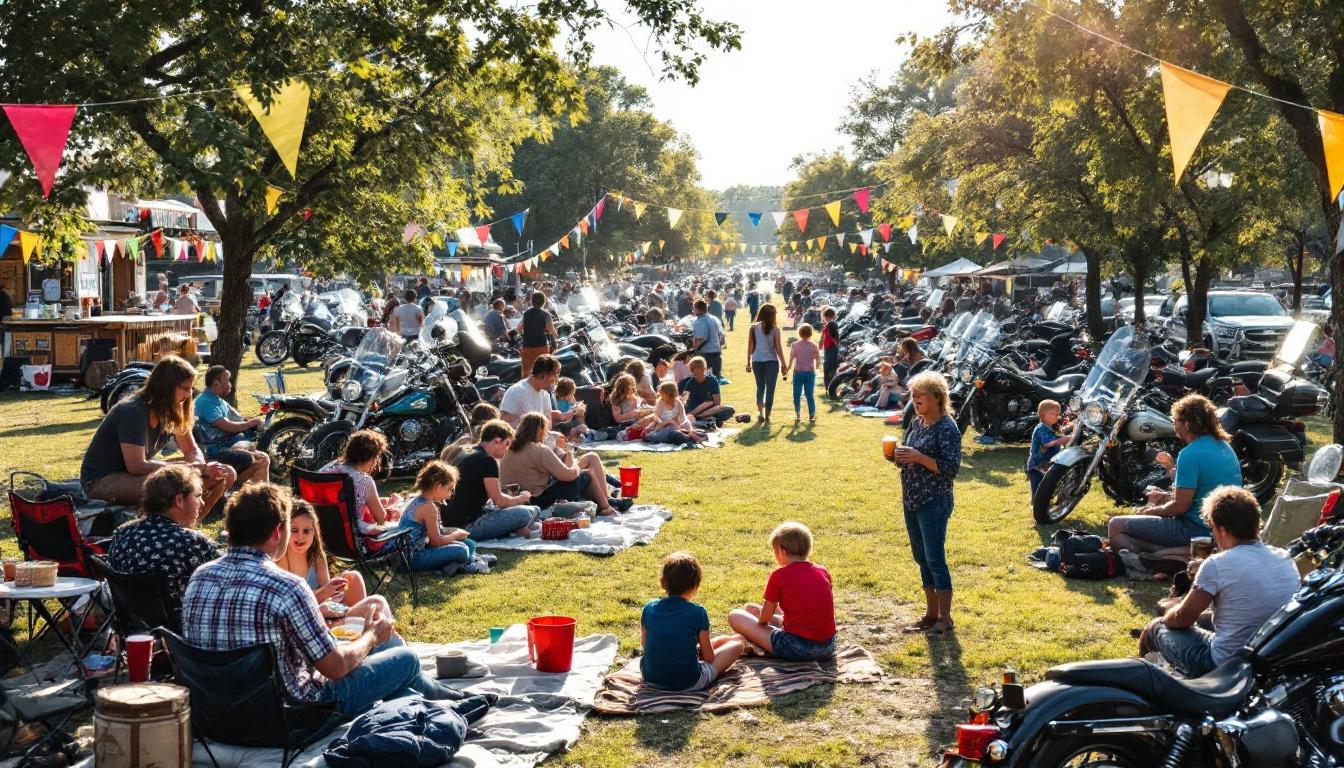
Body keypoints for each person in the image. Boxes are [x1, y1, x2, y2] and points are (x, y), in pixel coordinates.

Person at [182, 483, 469, 719]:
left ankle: (439, 707)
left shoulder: (200, 577)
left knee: (385, 667)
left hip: (217, 715)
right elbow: (336, 667)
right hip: (292, 715)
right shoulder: (287, 587)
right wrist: (371, 636)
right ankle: (446, 707)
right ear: (277, 532)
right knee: (402, 659)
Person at [1138, 487, 1300, 677]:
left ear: (1222, 529)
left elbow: (1183, 618)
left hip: (1225, 665)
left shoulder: (1217, 564)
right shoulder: (1284, 557)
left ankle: (1150, 687)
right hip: (1269, 657)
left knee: (1155, 628)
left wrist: (1166, 618)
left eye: (1212, 528)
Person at [81, 355, 236, 511]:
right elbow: (136, 465)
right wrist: (187, 468)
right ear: (166, 387)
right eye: (185, 388)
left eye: (191, 389)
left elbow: (191, 450)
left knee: (226, 473)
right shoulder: (132, 411)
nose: (189, 394)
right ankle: (177, 520)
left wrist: (201, 467)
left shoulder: (173, 410)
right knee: (175, 485)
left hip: (136, 474)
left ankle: (191, 523)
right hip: (102, 480)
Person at [1108, 394, 1241, 555]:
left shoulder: (1190, 453)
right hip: (1224, 530)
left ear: (1187, 424)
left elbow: (1180, 506)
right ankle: (1173, 553)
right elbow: (1202, 492)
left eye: (1176, 420)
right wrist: (1164, 495)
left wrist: (1153, 510)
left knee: (1116, 525)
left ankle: (1163, 556)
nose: (1174, 425)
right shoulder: (1225, 447)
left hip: (1196, 529)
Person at [891, 371, 962, 635]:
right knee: (921, 558)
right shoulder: (918, 422)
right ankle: (931, 614)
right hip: (912, 498)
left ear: (938, 398)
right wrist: (899, 456)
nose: (915, 398)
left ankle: (946, 618)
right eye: (914, 394)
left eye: (921, 395)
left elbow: (950, 468)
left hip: (934, 500)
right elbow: (910, 454)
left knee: (935, 558)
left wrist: (919, 457)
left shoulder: (947, 427)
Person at [106, 465, 220, 620]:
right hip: (181, 632)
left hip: (131, 627)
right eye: (198, 496)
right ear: (179, 500)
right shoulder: (190, 541)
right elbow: (234, 573)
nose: (202, 503)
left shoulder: (122, 533)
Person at [727, 522, 837, 660]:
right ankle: (767, 624)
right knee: (756, 609)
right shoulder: (822, 571)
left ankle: (755, 638)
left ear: (781, 551)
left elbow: (765, 617)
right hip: (828, 646)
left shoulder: (779, 575)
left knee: (735, 615)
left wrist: (758, 629)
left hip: (797, 648)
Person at [641, 551, 744, 691]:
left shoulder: (649, 608)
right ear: (695, 586)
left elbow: (644, 643)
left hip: (651, 679)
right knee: (737, 644)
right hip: (688, 682)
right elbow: (708, 657)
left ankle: (729, 639)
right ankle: (735, 641)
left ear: (662, 582)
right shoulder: (698, 612)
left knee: (725, 639)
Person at [277, 500, 389, 619]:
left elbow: (327, 592)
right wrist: (323, 593)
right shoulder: (282, 558)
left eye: (306, 531)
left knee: (353, 578)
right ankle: (361, 620)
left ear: (314, 532)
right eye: (294, 530)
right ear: (285, 531)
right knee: (372, 606)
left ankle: (359, 621)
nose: (301, 536)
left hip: (324, 607)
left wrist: (335, 588)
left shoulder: (317, 556)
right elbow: (289, 604)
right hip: (302, 614)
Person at [499, 413, 623, 513]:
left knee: (583, 470)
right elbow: (567, 475)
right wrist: (576, 468)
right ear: (540, 432)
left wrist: (568, 454)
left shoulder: (508, 449)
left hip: (512, 498)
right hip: (535, 500)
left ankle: (604, 503)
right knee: (586, 475)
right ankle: (605, 507)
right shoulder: (539, 449)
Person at [442, 419, 540, 540]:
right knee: (529, 512)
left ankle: (516, 530)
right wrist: (522, 498)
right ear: (497, 441)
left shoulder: (463, 453)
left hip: (449, 522)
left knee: (529, 511)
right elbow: (499, 501)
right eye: (507, 444)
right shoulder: (487, 460)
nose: (507, 449)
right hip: (468, 526)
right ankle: (516, 530)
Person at [398, 461, 489, 572]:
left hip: (414, 552)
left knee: (468, 543)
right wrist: (455, 535)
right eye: (450, 489)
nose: (450, 494)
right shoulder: (428, 507)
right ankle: (468, 564)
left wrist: (453, 533)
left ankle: (465, 562)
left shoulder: (421, 500)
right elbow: (435, 541)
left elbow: (435, 535)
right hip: (412, 559)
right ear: (438, 486)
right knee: (462, 550)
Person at [194, 365, 271, 483]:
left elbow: (239, 417)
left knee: (263, 458)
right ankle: (241, 486)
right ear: (216, 383)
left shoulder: (217, 399)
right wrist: (252, 423)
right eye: (226, 381)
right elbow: (228, 426)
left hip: (228, 444)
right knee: (256, 457)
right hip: (215, 451)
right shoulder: (205, 402)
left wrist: (256, 421)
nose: (230, 384)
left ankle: (250, 491)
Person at [319, 430, 402, 538]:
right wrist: (395, 510)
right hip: (350, 539)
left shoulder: (331, 467)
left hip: (322, 532)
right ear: (371, 459)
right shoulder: (364, 481)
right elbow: (381, 519)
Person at [500, 354, 586, 436]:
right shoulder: (517, 392)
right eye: (555, 374)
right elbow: (504, 427)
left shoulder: (544, 393)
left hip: (539, 442)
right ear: (543, 374)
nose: (557, 379)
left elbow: (547, 426)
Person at [746, 304, 786, 422]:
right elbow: (778, 349)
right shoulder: (775, 330)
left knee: (760, 386)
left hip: (756, 361)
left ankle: (760, 412)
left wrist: (748, 362)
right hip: (771, 361)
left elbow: (750, 347)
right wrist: (783, 363)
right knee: (770, 388)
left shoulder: (753, 328)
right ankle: (768, 414)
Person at [1027, 400, 1069, 497]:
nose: (1057, 416)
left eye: (1058, 414)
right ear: (1044, 415)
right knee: (1038, 489)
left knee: (1047, 487)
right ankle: (1037, 506)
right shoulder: (1041, 428)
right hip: (1037, 464)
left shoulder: (1048, 427)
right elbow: (1048, 444)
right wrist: (1064, 440)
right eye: (1054, 414)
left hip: (1045, 463)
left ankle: (1044, 504)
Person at [680, 356, 735, 424]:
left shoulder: (712, 381)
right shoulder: (690, 383)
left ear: (704, 368)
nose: (698, 370)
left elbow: (717, 402)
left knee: (729, 409)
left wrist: (707, 409)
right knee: (691, 413)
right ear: (692, 370)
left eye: (700, 367)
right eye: (695, 368)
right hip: (693, 409)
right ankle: (705, 420)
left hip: (709, 409)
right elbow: (684, 400)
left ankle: (702, 418)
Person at [647, 381, 703, 446]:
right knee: (654, 437)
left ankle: (688, 436)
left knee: (684, 428)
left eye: (662, 394)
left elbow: (682, 418)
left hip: (678, 425)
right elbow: (656, 417)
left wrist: (677, 423)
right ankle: (683, 438)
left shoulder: (678, 403)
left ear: (668, 394)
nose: (661, 395)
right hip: (664, 426)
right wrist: (666, 422)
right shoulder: (660, 403)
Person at [785, 323, 820, 423]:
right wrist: (816, 368)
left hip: (798, 372)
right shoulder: (814, 345)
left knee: (796, 393)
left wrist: (788, 369)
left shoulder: (795, 345)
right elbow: (817, 360)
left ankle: (797, 413)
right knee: (809, 394)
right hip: (810, 372)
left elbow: (791, 359)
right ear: (810, 333)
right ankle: (812, 414)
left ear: (800, 333)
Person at [519, 291, 557, 382]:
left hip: (527, 347)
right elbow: (553, 332)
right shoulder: (546, 315)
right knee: (543, 372)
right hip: (541, 347)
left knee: (527, 374)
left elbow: (519, 328)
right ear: (544, 302)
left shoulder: (526, 314)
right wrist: (556, 337)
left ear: (532, 301)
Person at [691, 299, 726, 378]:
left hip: (706, 353)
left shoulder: (700, 321)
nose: (693, 310)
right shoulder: (714, 318)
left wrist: (694, 349)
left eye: (694, 308)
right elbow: (721, 335)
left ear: (697, 308)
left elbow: (702, 338)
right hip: (716, 351)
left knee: (703, 378)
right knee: (716, 378)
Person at [819, 307, 840, 392]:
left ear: (833, 317)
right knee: (828, 367)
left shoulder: (832, 325)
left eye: (829, 317)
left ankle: (831, 386)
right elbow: (822, 338)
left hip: (832, 348)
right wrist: (820, 346)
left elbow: (835, 339)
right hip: (828, 349)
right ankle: (828, 386)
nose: (827, 318)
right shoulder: (827, 326)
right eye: (826, 317)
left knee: (830, 368)